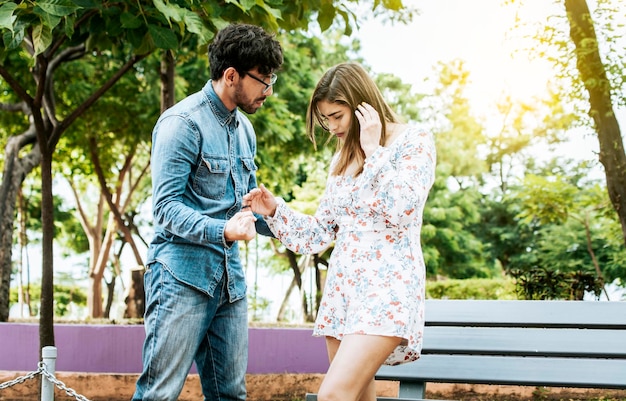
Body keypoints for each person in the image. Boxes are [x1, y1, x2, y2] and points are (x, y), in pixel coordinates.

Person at [243, 62, 436, 401]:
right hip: (344, 293)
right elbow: (320, 233)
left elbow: (403, 209)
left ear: (363, 105)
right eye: (325, 120)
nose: (331, 128)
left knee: (333, 395)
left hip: (386, 292)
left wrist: (375, 152)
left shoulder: (414, 141)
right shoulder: (341, 160)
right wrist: (275, 210)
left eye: (337, 116)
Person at [132, 23, 283, 401]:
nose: (268, 90)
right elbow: (165, 209)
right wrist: (223, 232)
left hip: (230, 283)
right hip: (181, 278)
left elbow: (244, 210)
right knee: (158, 394)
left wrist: (283, 221)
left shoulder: (245, 129)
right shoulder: (181, 124)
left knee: (230, 395)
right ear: (232, 76)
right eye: (262, 80)